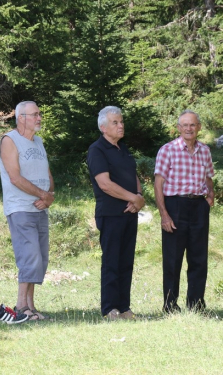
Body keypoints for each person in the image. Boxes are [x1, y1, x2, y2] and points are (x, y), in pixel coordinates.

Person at [87, 106, 145, 320]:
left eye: (121, 122)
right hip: (111, 214)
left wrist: (138, 196)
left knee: (126, 261)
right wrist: (134, 199)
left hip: (129, 213)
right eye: (115, 123)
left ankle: (124, 308)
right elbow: (105, 184)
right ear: (103, 127)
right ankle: (109, 309)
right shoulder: (97, 149)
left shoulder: (123, 148)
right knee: (112, 261)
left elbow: (133, 175)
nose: (121, 126)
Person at [154, 110, 215, 312]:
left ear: (199, 127)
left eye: (193, 125)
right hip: (175, 206)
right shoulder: (167, 150)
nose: (189, 129)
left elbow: (208, 177)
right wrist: (164, 214)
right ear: (179, 128)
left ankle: (196, 304)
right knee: (173, 258)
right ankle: (170, 306)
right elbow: (158, 184)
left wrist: (210, 196)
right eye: (185, 125)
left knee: (199, 258)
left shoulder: (205, 151)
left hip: (198, 207)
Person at [0, 101, 54, 321]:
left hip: (40, 207)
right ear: (21, 117)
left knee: (40, 258)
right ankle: (21, 307)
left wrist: (49, 196)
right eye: (35, 114)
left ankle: (31, 305)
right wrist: (42, 195)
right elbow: (15, 177)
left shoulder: (38, 141)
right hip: (21, 208)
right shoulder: (10, 141)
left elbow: (47, 172)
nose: (39, 118)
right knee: (29, 257)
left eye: (40, 114)